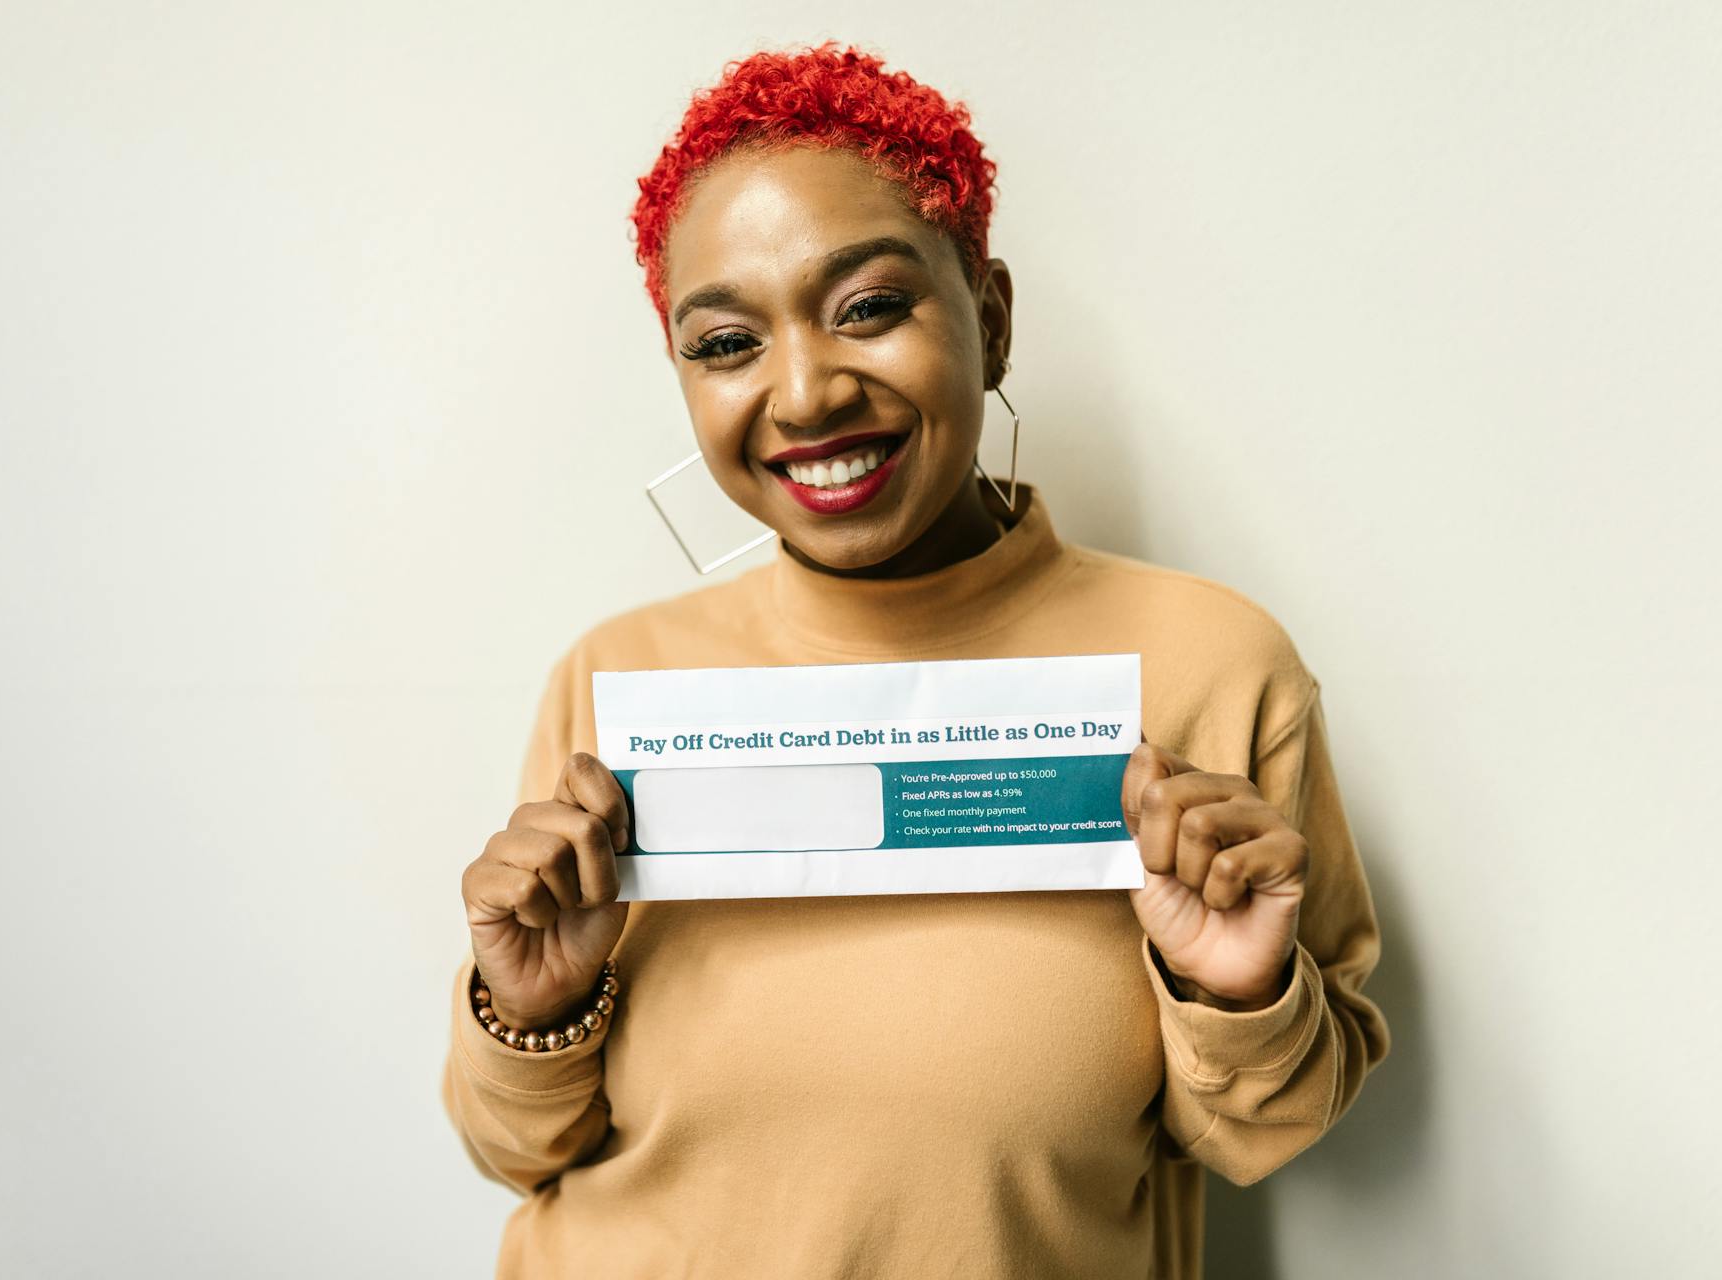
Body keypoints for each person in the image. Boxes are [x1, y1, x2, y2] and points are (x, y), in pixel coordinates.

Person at [442, 41, 1389, 1279]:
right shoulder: (617, 680)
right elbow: (514, 1148)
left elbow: (1270, 1128)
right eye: (725, 342)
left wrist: (1235, 990)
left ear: (989, 320)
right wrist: (533, 1005)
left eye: (869, 307)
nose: (803, 393)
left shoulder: (1210, 665)